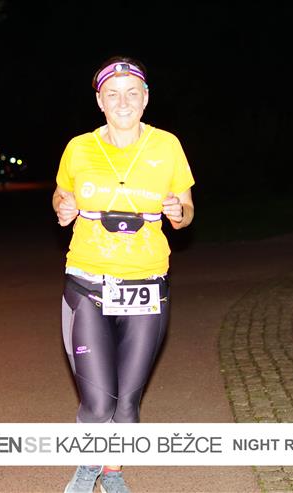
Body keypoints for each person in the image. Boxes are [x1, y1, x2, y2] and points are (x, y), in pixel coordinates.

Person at [53, 56, 195, 493]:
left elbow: (188, 211)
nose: (123, 101)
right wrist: (63, 208)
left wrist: (179, 211)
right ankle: (87, 465)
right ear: (100, 101)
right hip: (87, 285)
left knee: (127, 405)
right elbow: (61, 195)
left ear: (146, 98)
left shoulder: (167, 146)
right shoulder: (79, 148)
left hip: (146, 286)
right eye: (112, 94)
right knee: (98, 404)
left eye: (132, 93)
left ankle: (112, 471)